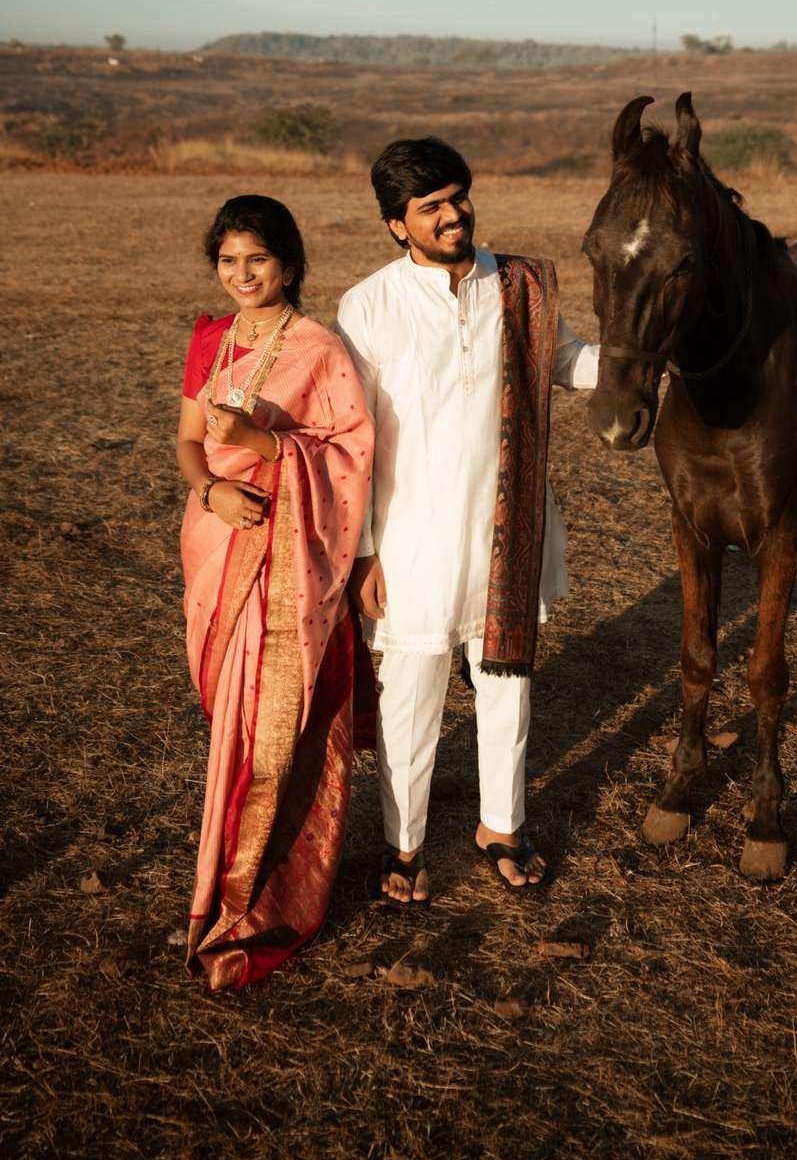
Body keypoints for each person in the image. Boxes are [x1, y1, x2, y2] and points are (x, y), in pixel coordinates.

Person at [335, 138, 598, 903]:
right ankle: (405, 845)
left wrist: (647, 358)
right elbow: (353, 436)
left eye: (458, 198)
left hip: (506, 530)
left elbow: (571, 363)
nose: (453, 215)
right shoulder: (369, 304)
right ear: (397, 224)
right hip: (410, 540)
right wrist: (364, 552)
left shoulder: (520, 285)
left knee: (507, 686)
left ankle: (502, 827)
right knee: (410, 696)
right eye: (431, 207)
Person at [176, 195, 373, 989]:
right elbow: (188, 443)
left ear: (289, 264)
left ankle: (255, 894)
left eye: (257, 259)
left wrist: (261, 443)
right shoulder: (212, 340)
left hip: (291, 561)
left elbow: (350, 455)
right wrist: (210, 491)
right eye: (228, 260)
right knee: (233, 720)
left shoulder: (320, 350)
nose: (242, 274)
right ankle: (225, 874)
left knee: (272, 726)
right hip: (219, 543)